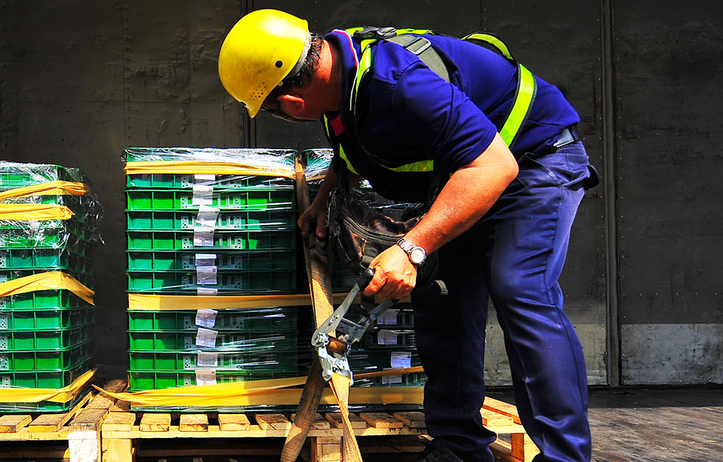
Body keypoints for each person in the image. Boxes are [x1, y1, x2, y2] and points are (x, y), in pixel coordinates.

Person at [218, 9, 596, 462]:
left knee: (519, 287)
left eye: (276, 109)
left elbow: (495, 166)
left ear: (294, 103)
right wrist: (323, 198)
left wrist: (411, 247)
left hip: (533, 162)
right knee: (442, 295)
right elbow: (353, 146)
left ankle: (565, 456)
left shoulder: (399, 84)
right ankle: (459, 447)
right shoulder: (339, 75)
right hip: (467, 174)